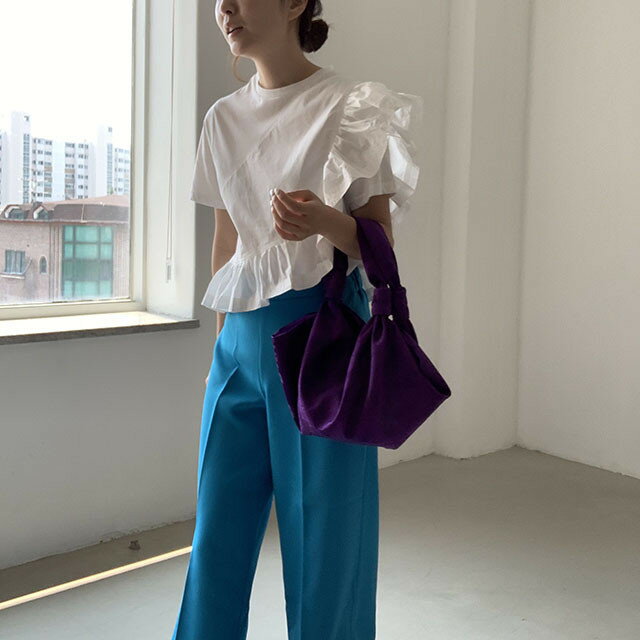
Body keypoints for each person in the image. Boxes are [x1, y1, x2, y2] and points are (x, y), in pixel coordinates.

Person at [171, 0, 423, 638]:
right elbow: (227, 242)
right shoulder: (222, 118)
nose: (224, 8)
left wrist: (325, 222)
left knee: (325, 543)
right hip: (237, 344)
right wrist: (221, 347)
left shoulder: (351, 107)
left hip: (323, 338)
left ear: (293, 4)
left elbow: (380, 247)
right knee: (216, 535)